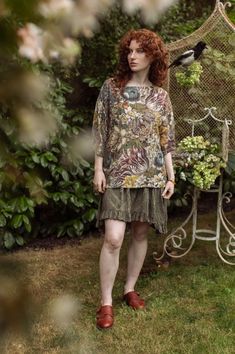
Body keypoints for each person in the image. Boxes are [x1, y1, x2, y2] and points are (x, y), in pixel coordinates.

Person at [92, 28, 175, 330]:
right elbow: (100, 129)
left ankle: (129, 288)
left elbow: (166, 139)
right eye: (129, 50)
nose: (132, 56)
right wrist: (98, 168)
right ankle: (105, 302)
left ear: (154, 55)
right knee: (113, 238)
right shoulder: (111, 88)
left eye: (139, 50)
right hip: (117, 174)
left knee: (140, 234)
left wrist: (171, 176)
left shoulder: (161, 96)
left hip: (151, 175)